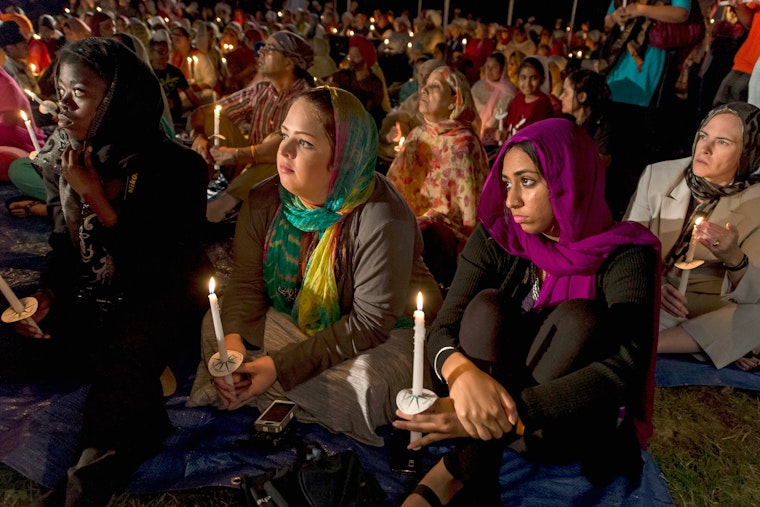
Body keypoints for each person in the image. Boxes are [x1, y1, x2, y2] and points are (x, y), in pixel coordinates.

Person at [394, 118, 661, 506]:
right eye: (506, 183)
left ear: (569, 180)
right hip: (488, 392)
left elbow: (623, 367)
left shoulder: (624, 255)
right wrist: (463, 374)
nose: (511, 201)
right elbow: (445, 325)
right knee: (487, 307)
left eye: (528, 181)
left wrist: (502, 415)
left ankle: (455, 472)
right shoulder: (499, 238)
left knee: (579, 320)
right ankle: (474, 478)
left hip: (557, 421)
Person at [1, 38, 210, 505]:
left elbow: (161, 270)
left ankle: (80, 491)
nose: (63, 104)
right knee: (10, 328)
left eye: (79, 92)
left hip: (158, 302)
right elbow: (62, 244)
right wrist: (49, 292)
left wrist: (99, 199)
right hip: (91, 300)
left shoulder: (177, 168)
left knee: (120, 386)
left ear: (117, 97)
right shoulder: (68, 156)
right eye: (60, 90)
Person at [190, 87, 442, 445]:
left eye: (305, 143)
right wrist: (233, 352)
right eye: (284, 135)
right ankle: (256, 384)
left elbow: (369, 324)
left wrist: (278, 366)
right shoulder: (264, 199)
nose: (285, 151)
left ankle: (262, 387)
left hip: (378, 339)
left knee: (369, 385)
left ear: (341, 158)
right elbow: (247, 285)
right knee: (214, 328)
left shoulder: (382, 216)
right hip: (296, 324)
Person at [625, 102, 760, 371]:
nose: (705, 148)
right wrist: (655, 286)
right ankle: (714, 344)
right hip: (651, 295)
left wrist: (734, 258)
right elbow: (625, 249)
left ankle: (654, 344)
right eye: (703, 136)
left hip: (709, 309)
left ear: (747, 153)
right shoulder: (659, 176)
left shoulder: (756, 203)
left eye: (722, 142)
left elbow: (754, 294)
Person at [190, 30, 314, 223]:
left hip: (284, 178)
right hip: (249, 169)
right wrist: (199, 137)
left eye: (269, 49)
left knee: (281, 143)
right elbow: (202, 112)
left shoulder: (307, 99)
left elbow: (288, 146)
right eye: (261, 48)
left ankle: (225, 202)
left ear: (289, 63)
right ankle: (218, 186)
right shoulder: (260, 91)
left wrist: (238, 154)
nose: (260, 53)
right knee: (213, 117)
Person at [387, 67, 489, 287]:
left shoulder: (464, 144)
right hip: (410, 225)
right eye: (426, 85)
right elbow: (392, 189)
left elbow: (469, 212)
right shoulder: (417, 136)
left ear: (455, 100)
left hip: (443, 238)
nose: (424, 90)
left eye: (435, 87)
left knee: (422, 233)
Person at [559, 69, 612, 168]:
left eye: (566, 92)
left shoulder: (600, 127)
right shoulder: (568, 123)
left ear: (582, 97)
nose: (560, 97)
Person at [712, 0, 759, 105]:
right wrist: (739, 6)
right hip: (745, 60)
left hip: (756, 69)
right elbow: (750, 23)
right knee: (720, 110)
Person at [470, 51, 517, 153]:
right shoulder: (477, 86)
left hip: (495, 137)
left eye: (494, 67)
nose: (490, 70)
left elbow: (499, 115)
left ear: (503, 68)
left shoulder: (508, 90)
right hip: (474, 130)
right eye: (488, 67)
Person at [500, 57, 554, 143]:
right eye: (523, 78)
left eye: (533, 78)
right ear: (518, 78)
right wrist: (502, 132)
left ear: (542, 80)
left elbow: (535, 135)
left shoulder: (543, 103)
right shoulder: (518, 98)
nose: (527, 83)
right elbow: (510, 125)